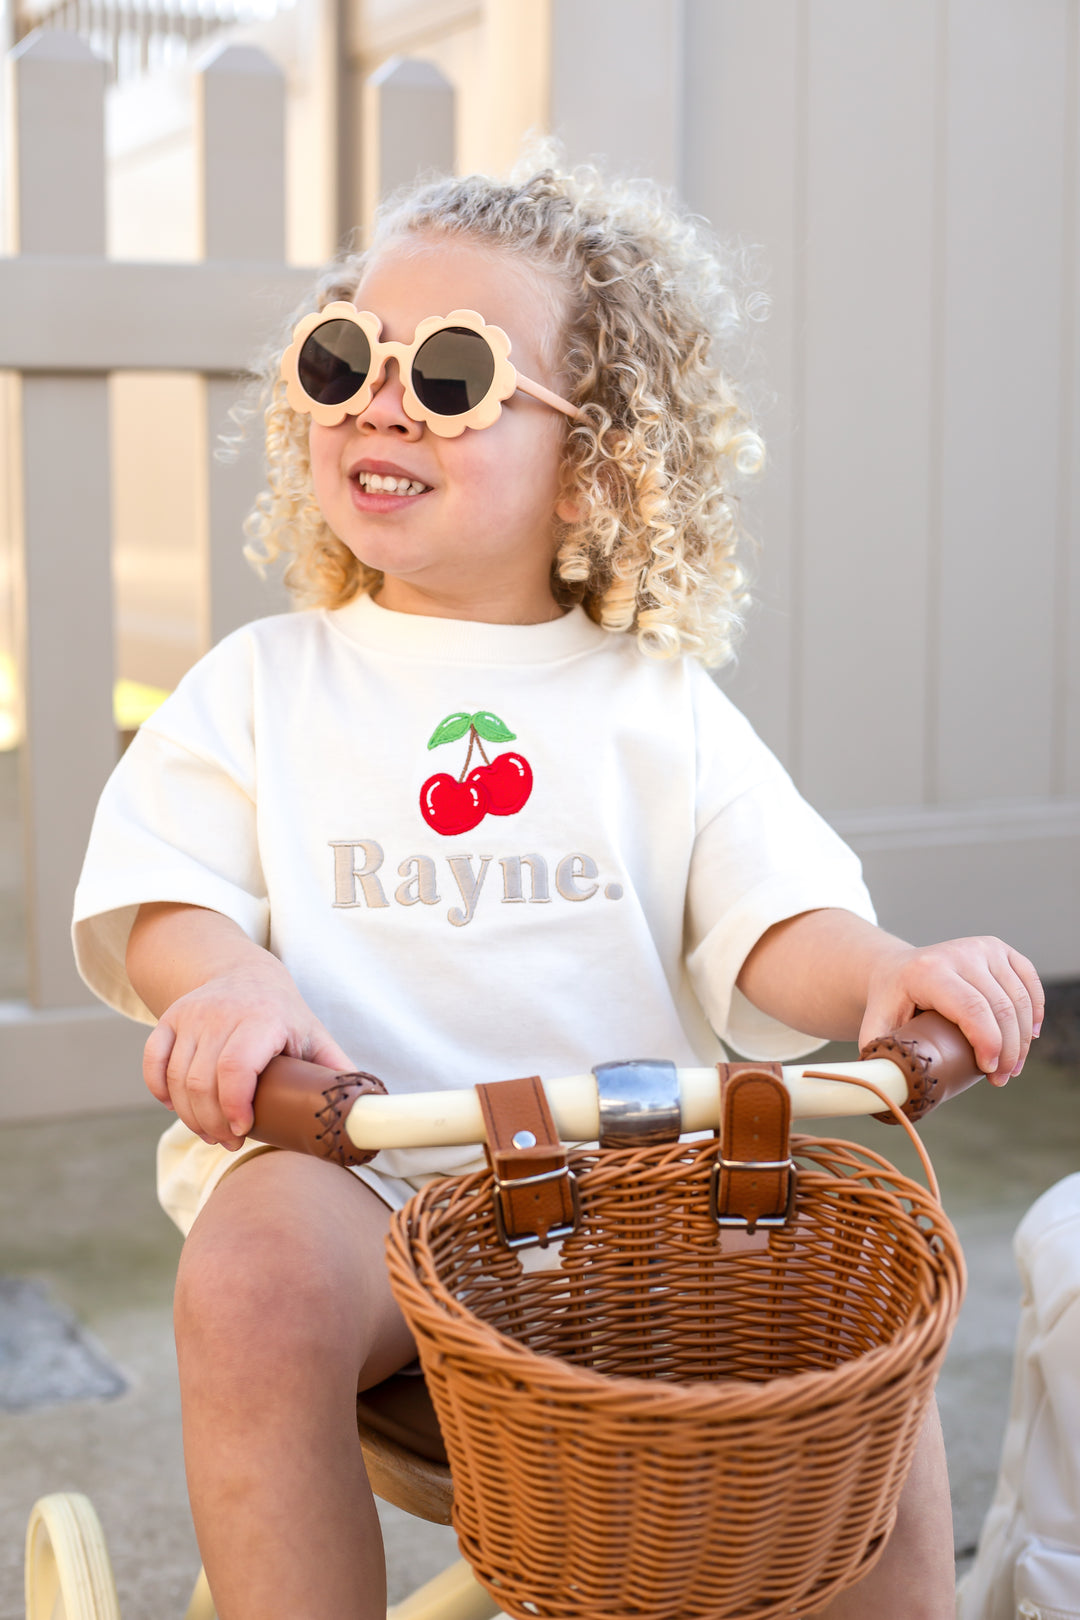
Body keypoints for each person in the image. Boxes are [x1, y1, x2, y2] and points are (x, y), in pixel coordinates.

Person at [73, 158, 1043, 1620]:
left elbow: (774, 914)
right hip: (367, 1185)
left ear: (592, 463)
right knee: (250, 1280)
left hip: (635, 1202)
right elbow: (165, 889)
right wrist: (228, 981)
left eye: (452, 376)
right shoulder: (264, 686)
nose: (381, 404)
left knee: (860, 1327)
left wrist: (882, 976)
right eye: (345, 357)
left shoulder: (657, 704)